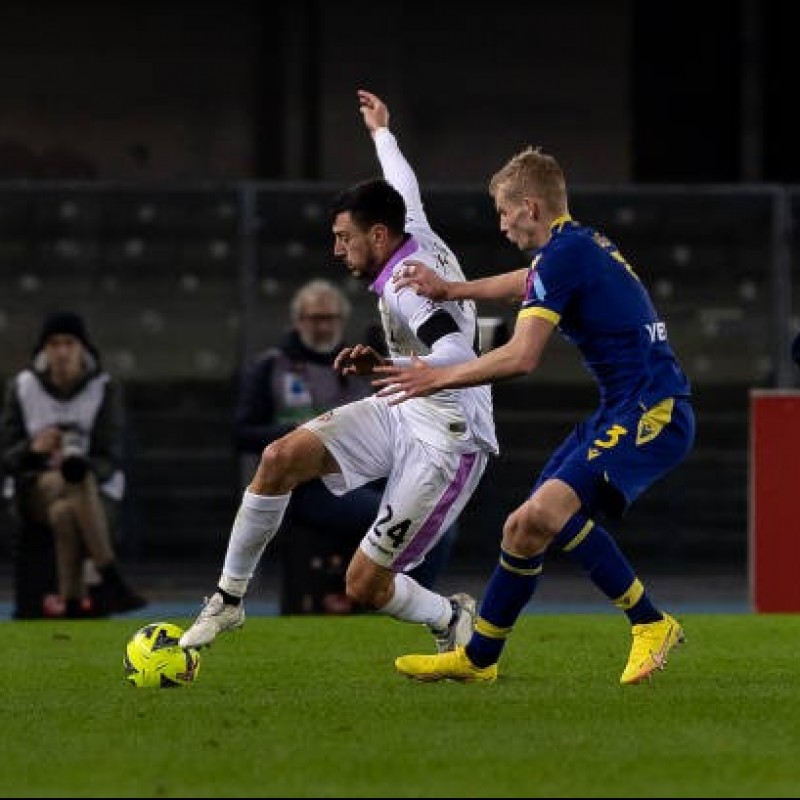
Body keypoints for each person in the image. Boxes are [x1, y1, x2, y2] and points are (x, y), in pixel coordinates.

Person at [179, 88, 498, 652]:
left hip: (448, 439)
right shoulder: (409, 225)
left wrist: (389, 361)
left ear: (378, 236)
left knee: (364, 585)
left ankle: (451, 618)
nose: (336, 249)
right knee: (279, 457)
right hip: (404, 403)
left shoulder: (409, 288)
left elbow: (459, 356)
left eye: (343, 237)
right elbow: (403, 181)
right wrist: (381, 130)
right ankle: (228, 601)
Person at [374, 144, 695, 685]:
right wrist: (452, 288)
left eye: (504, 211)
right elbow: (525, 283)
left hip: (652, 407)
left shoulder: (565, 254)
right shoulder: (574, 246)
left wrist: (437, 375)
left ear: (529, 206)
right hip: (624, 403)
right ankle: (479, 659)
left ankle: (650, 623)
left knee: (545, 514)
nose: (501, 224)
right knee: (523, 527)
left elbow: (522, 356)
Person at [234, 278, 459, 607]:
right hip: (310, 486)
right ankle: (390, 604)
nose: (324, 326)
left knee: (439, 524)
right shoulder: (271, 366)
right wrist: (299, 434)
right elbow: (241, 433)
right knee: (406, 522)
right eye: (315, 318)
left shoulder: (360, 360)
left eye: (331, 318)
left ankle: (406, 602)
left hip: (370, 473)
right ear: (299, 321)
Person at [0, 311, 147, 618]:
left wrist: (83, 465)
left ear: (83, 348)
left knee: (66, 510)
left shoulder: (104, 388)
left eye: (69, 342)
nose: (62, 351)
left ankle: (70, 602)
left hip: (92, 488)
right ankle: (111, 575)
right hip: (35, 486)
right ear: (44, 350)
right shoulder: (23, 387)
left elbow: (111, 455)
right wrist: (33, 448)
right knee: (71, 479)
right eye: (54, 344)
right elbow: (7, 457)